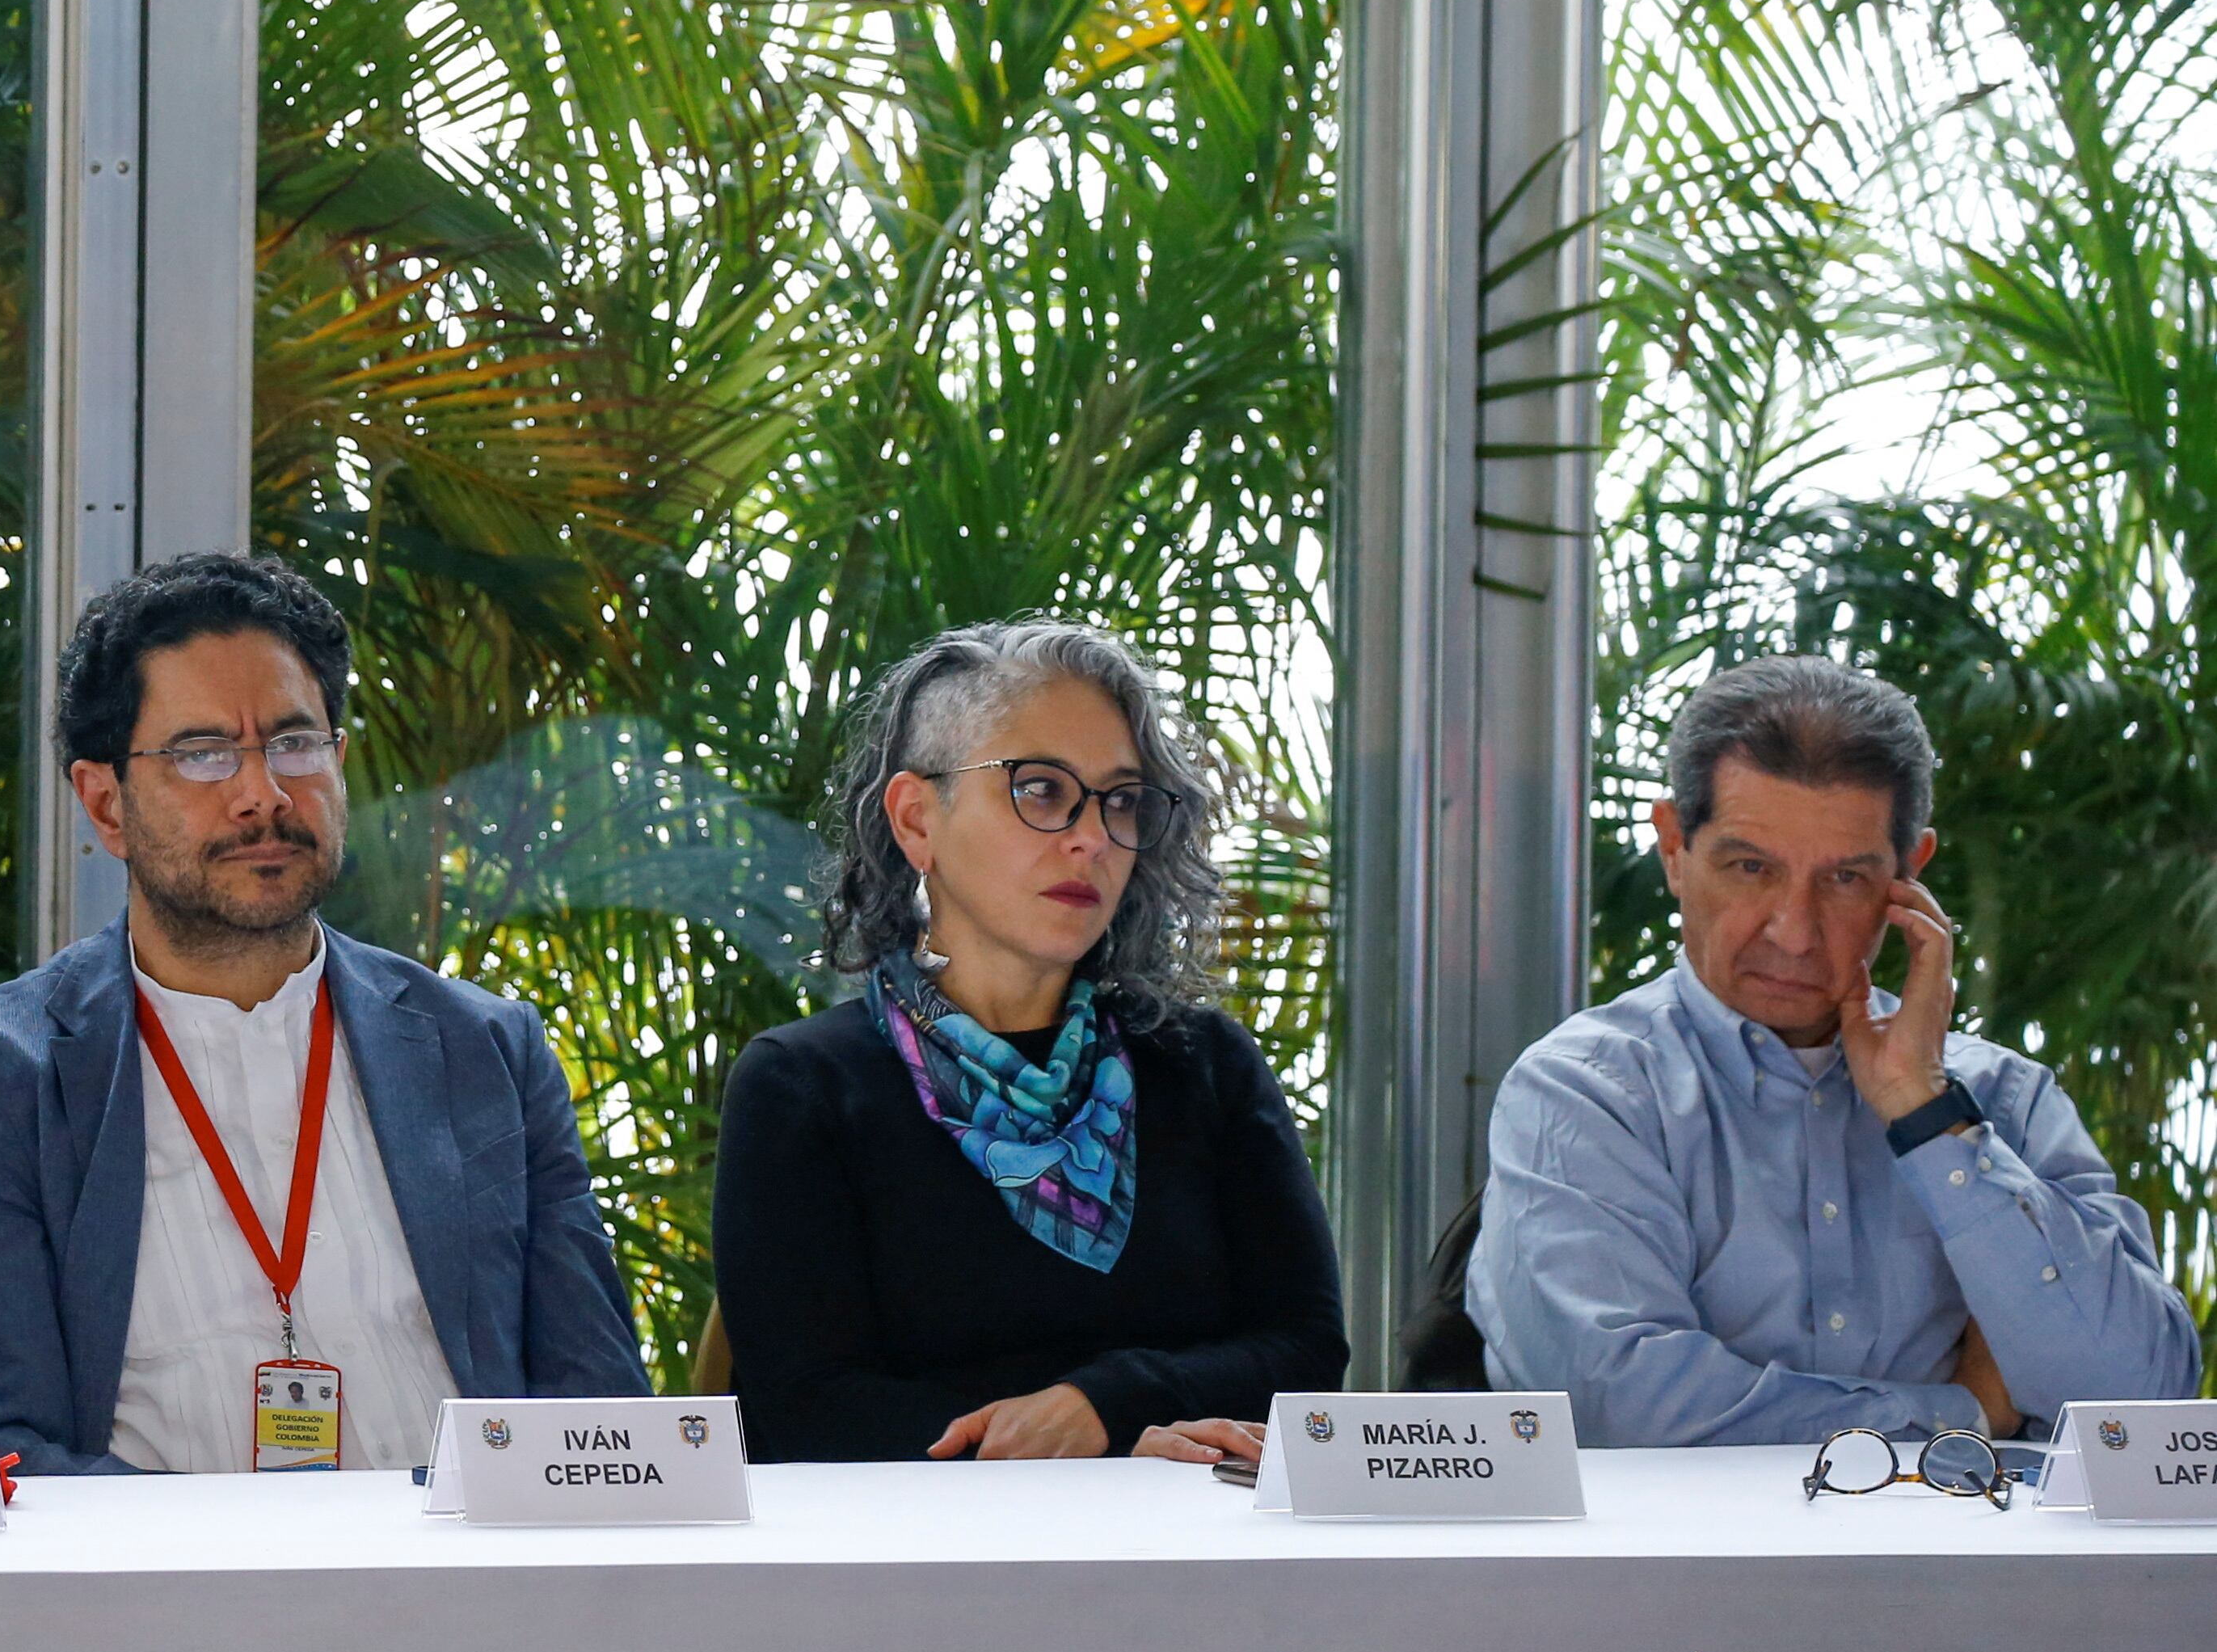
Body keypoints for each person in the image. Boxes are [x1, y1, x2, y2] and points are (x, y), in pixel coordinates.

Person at [0, 552, 643, 1472]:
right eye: (202, 753)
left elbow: (597, 1412)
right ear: (105, 802)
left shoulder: (484, 1050)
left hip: (470, 1585)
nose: (263, 794)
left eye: (294, 743)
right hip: (158, 1603)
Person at [1474, 655, 2196, 1446]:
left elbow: (2142, 1412)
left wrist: (1928, 1115)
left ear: (1909, 875)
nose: (1793, 929)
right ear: (1675, 848)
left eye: (1845, 878)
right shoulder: (1588, 1091)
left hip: (1975, 1573)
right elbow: (1622, 1413)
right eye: (1751, 867)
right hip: (1687, 1573)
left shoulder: (2004, 1101)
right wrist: (1966, 1414)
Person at [715, 619, 1342, 1466]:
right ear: (917, 821)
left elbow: (1307, 1354)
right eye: (1040, 790)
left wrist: (1105, 1406)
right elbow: (802, 1409)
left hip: (1195, 1560)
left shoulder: (1203, 1065)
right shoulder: (807, 1084)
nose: (1091, 836)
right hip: (922, 1574)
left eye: (1121, 800)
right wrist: (1074, 1453)